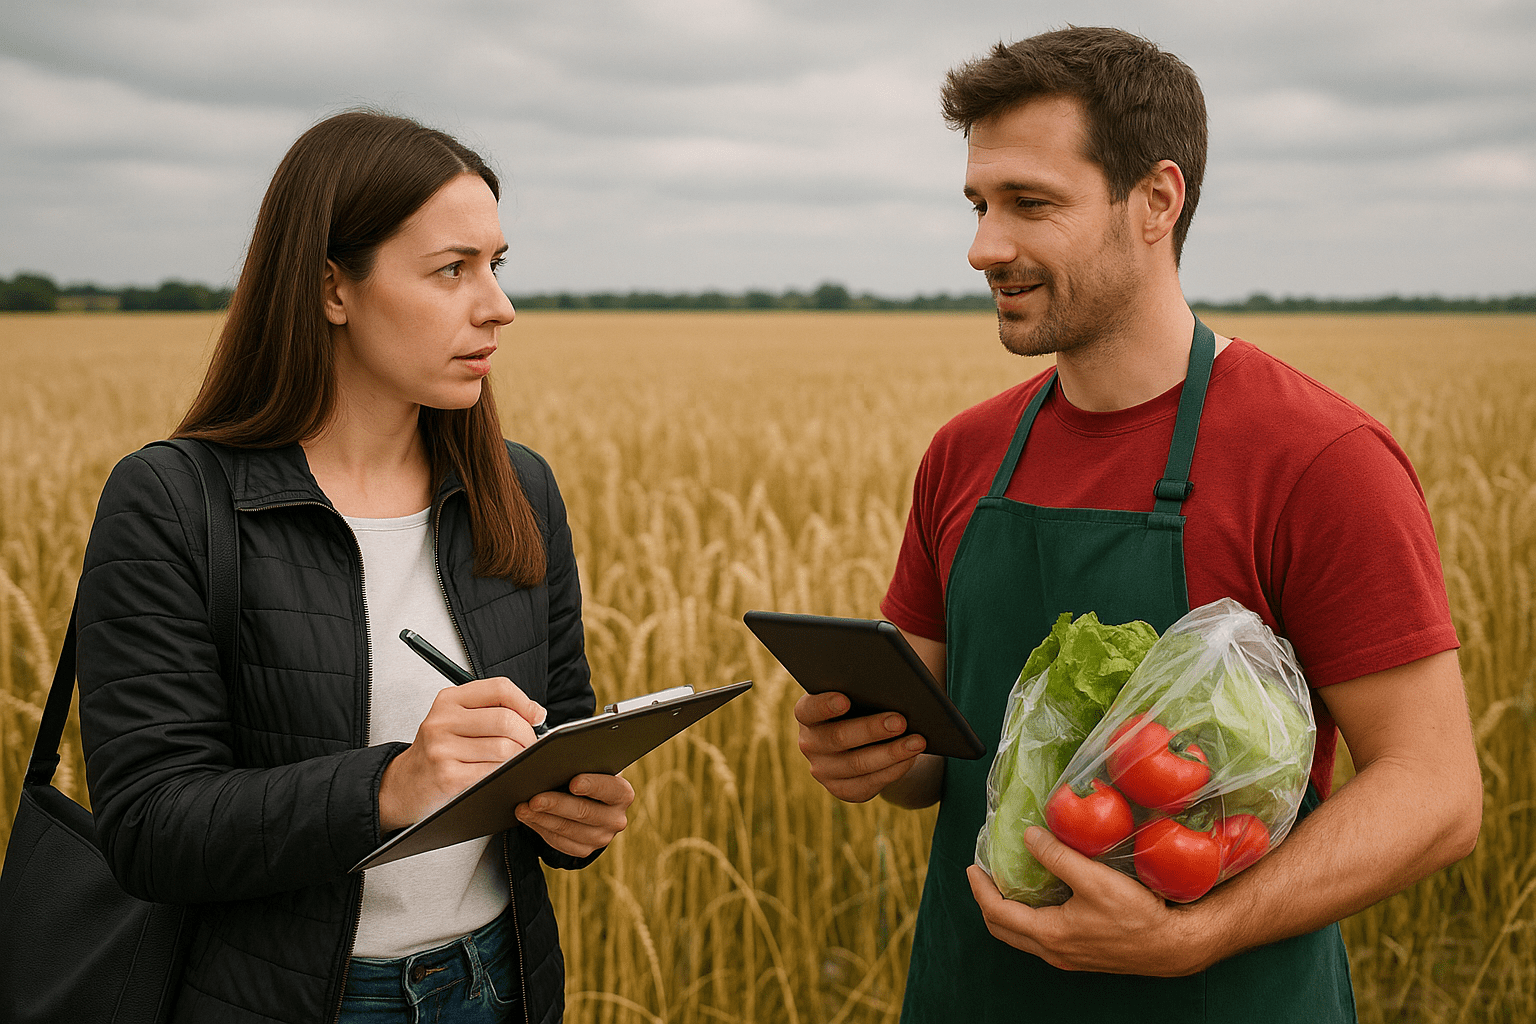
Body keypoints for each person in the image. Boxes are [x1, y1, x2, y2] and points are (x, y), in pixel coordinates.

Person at [793, 26, 1483, 1023]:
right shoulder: (966, 454)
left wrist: (1199, 932)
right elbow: (941, 760)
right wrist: (874, 755)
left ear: (1157, 200)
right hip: (973, 994)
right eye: (980, 204)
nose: (985, 244)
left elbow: (1436, 791)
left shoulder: (1318, 458)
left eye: (1030, 203)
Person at [76, 110, 633, 1024]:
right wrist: (389, 787)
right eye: (453, 270)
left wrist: (573, 821)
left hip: (500, 983)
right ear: (333, 287)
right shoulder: (175, 501)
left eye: (498, 266)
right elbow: (147, 830)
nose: (497, 305)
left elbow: (557, 727)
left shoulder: (518, 487)